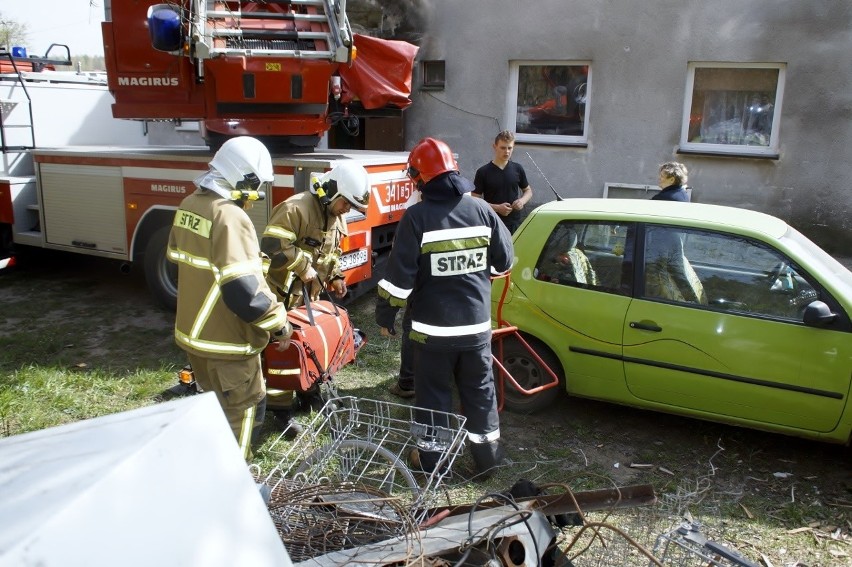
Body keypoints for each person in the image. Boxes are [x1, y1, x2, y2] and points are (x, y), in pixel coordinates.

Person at [375, 137, 514, 479]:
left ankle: (430, 461)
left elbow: (399, 280)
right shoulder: (482, 210)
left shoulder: (416, 217)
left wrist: (385, 315)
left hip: (431, 333)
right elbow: (504, 261)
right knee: (480, 395)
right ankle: (488, 461)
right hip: (475, 330)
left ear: (420, 179)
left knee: (433, 397)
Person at [167, 136, 293, 460]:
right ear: (243, 178)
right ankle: (234, 483)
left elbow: (183, 260)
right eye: (255, 188)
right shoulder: (230, 216)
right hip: (229, 343)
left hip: (195, 337)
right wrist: (279, 324)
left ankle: (206, 467)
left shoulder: (189, 205)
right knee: (241, 414)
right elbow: (243, 292)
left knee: (211, 411)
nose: (254, 198)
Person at [260, 161, 371, 413]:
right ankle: (280, 407)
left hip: (309, 298)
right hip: (282, 297)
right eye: (346, 203)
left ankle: (308, 391)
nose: (346, 210)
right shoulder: (295, 209)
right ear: (332, 190)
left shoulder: (335, 215)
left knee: (310, 346)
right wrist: (301, 266)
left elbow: (331, 253)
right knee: (282, 351)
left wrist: (336, 276)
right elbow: (271, 247)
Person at [473, 130, 534, 234]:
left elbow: (528, 191)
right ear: (495, 146)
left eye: (509, 148)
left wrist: (522, 201)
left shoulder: (517, 168)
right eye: (503, 148)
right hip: (491, 223)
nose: (506, 152)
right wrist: (496, 208)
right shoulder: (483, 172)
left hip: (514, 224)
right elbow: (474, 200)